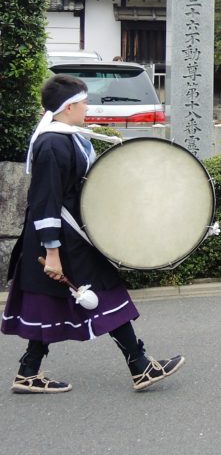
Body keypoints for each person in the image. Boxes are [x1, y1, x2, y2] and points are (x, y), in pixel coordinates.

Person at [2, 74, 185, 393]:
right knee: (105, 291)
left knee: (51, 301)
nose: (88, 107)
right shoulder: (52, 143)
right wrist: (52, 253)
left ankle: (28, 372)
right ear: (69, 107)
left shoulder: (68, 137)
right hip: (60, 237)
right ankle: (140, 365)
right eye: (84, 102)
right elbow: (45, 200)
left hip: (71, 234)